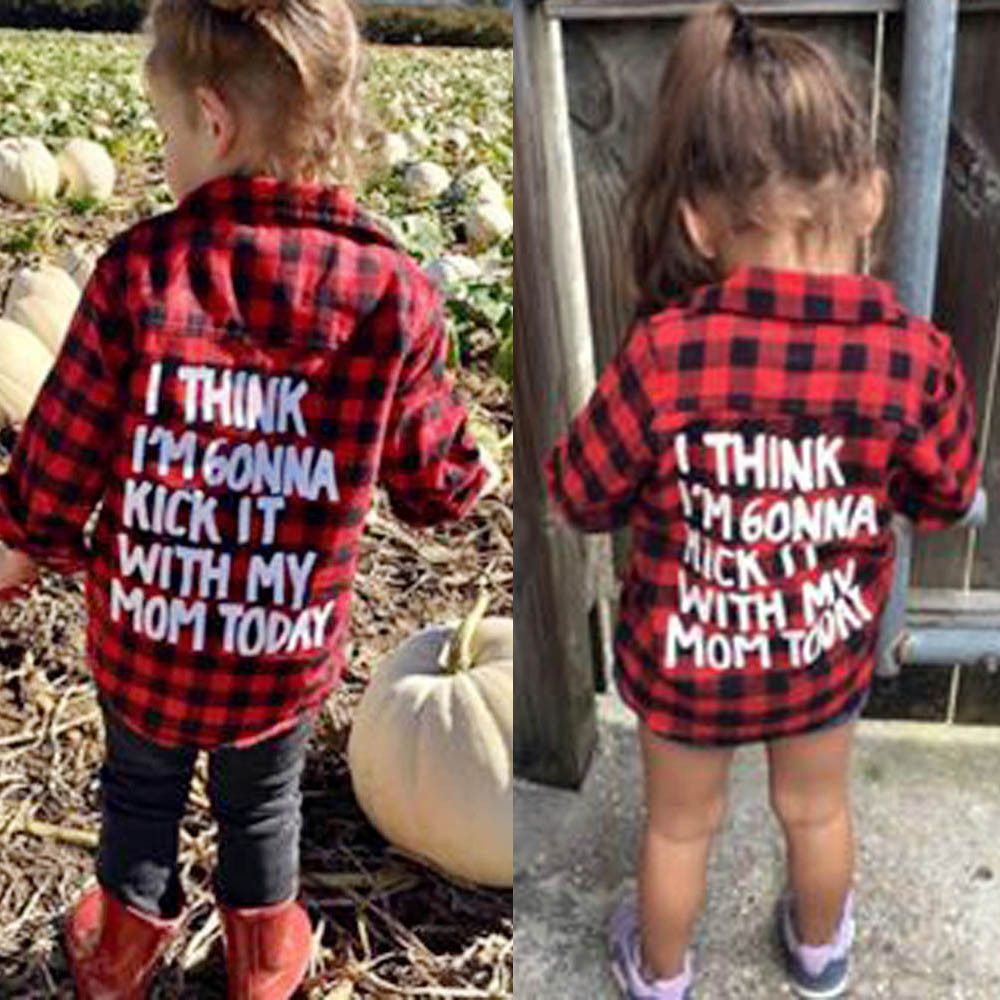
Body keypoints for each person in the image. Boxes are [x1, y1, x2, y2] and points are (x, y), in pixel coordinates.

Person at [0, 0, 497, 996]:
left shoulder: (140, 271)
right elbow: (436, 486)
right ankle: (264, 955)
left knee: (136, 794)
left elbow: (61, 451)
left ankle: (122, 950)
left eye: (168, 132)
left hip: (146, 637)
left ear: (213, 122)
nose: (167, 154)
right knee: (263, 812)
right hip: (279, 654)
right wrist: (466, 471)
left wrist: (21, 543)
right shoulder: (393, 293)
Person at [546, 5, 980, 999]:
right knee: (815, 812)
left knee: (677, 825)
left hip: (688, 658)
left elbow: (580, 490)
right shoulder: (911, 362)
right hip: (819, 654)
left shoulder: (663, 354)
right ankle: (821, 954)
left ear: (698, 220)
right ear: (870, 197)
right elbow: (949, 493)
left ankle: (658, 971)